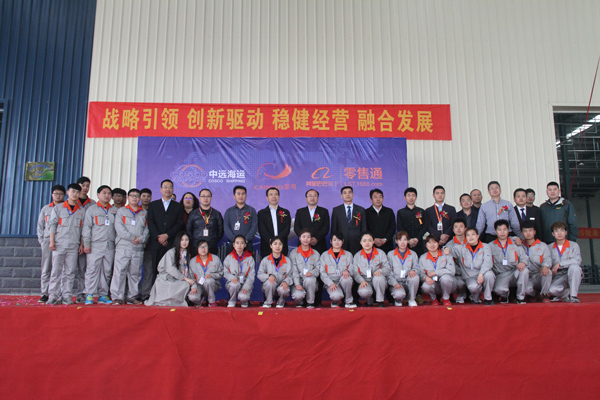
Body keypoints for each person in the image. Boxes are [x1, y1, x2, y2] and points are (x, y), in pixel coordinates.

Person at [143, 179, 184, 301]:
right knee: (154, 270)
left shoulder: (178, 206)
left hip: (171, 243)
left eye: (170, 187)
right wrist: (159, 237)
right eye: (165, 187)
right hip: (156, 243)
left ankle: (169, 296)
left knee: (171, 269)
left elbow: (179, 224)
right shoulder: (153, 205)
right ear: (161, 189)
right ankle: (153, 296)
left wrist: (167, 235)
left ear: (173, 190)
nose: (168, 189)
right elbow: (151, 223)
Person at [46, 184, 86, 305]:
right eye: (73, 191)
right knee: (56, 271)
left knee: (70, 271)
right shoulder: (58, 208)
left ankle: (67, 295)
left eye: (77, 192)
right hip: (59, 244)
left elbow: (83, 230)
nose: (75, 194)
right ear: (68, 192)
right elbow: (52, 225)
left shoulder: (81, 211)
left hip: (73, 245)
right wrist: (52, 241)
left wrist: (81, 244)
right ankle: (53, 295)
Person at [111, 189, 149, 305]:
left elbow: (147, 230)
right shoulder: (121, 211)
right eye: (132, 196)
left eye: (137, 196)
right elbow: (119, 228)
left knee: (135, 273)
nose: (135, 198)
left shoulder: (144, 212)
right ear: (128, 197)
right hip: (124, 246)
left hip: (138, 247)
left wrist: (141, 239)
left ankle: (132, 296)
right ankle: (117, 297)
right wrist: (132, 238)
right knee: (119, 272)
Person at [82, 185, 117, 305]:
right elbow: (87, 228)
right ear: (98, 195)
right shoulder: (91, 210)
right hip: (95, 245)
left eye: (109, 193)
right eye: (104, 193)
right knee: (92, 270)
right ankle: (89, 294)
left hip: (110, 245)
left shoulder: (114, 211)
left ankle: (103, 295)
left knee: (107, 271)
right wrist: (86, 244)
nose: (107, 195)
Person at [145, 232, 200, 307]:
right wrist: (185, 278)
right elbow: (171, 269)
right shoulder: (171, 252)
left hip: (179, 279)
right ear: (178, 241)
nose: (184, 242)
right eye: (182, 240)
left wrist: (192, 284)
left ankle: (177, 302)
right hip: (167, 279)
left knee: (186, 285)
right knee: (183, 284)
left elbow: (189, 271)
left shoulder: (188, 255)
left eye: (186, 240)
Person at [36, 184, 65, 303]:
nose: (58, 196)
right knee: (46, 267)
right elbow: (40, 226)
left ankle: (59, 293)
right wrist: (42, 241)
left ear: (64, 195)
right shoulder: (46, 209)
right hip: (48, 241)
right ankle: (45, 293)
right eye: (56, 193)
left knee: (61, 268)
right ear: (52, 195)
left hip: (62, 241)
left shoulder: (66, 209)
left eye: (61, 194)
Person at [490, 219, 529, 304]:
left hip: (514, 272)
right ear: (496, 232)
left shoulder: (516, 244)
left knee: (524, 270)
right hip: (501, 275)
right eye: (499, 230)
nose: (502, 232)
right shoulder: (490, 246)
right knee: (499, 290)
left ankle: (520, 297)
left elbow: (524, 257)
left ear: (508, 231)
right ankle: (506, 295)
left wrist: (522, 262)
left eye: (504, 229)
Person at [455, 228, 495, 305]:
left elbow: (488, 262)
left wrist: (481, 273)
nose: (471, 237)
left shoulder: (485, 246)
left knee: (490, 275)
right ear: (466, 238)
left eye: (473, 234)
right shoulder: (461, 248)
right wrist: (445, 248)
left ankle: (488, 298)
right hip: (470, 276)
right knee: (473, 287)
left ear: (478, 236)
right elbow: (448, 251)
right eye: (468, 235)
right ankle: (476, 298)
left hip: (483, 273)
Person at [319, 232, 357, 308]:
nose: (337, 242)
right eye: (334, 240)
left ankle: (348, 301)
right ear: (330, 241)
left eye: (339, 240)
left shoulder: (348, 254)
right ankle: (334, 300)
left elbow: (353, 268)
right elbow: (322, 273)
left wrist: (347, 271)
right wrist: (330, 283)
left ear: (343, 241)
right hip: (332, 282)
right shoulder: (324, 255)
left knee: (347, 279)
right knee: (336, 296)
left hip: (343, 280)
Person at [548, 221, 582, 303]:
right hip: (558, 275)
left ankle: (573, 296)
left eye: (562, 230)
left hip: (571, 272)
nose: (559, 233)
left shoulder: (573, 245)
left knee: (574, 267)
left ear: (566, 232)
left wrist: (560, 264)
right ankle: (566, 294)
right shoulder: (549, 247)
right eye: (556, 231)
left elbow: (577, 260)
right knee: (551, 291)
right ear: (553, 234)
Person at [353, 232, 390, 307]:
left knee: (378, 278)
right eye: (364, 241)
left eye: (369, 240)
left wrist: (380, 271)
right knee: (363, 292)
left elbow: (387, 268)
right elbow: (355, 272)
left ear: (373, 242)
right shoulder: (357, 256)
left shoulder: (380, 253)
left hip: (379, 281)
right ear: (361, 242)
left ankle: (380, 301)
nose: (367, 243)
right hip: (365, 281)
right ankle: (369, 300)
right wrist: (361, 281)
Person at [418, 236, 456, 306]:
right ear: (426, 245)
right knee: (425, 286)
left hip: (449, 284)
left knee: (445, 278)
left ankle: (446, 298)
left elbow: (452, 271)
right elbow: (421, 273)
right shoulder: (422, 258)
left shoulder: (446, 255)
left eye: (434, 242)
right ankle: (434, 299)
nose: (432, 245)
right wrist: (426, 278)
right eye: (429, 243)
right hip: (434, 283)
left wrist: (436, 272)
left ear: (438, 244)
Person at [75, 176, 96, 303]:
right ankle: (61, 294)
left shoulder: (92, 204)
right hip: (71, 240)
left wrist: (84, 242)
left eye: (87, 186)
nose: (85, 188)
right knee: (67, 270)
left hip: (86, 241)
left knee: (84, 269)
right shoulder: (71, 203)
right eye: (83, 185)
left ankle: (81, 293)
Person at [257, 236, 293, 308]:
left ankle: (280, 302)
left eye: (280, 244)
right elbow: (260, 274)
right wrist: (268, 276)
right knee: (270, 283)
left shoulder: (287, 261)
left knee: (284, 289)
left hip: (281, 286)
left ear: (283, 246)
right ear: (271, 246)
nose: (277, 246)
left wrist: (286, 282)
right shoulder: (265, 260)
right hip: (269, 287)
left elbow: (291, 275)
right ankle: (268, 302)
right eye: (275, 244)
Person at [521, 221, 552, 302]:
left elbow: (547, 259)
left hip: (538, 274)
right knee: (527, 290)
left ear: (534, 232)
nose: (528, 233)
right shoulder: (519, 245)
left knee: (548, 272)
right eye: (525, 231)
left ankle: (544, 295)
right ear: (522, 233)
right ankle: (534, 294)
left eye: (530, 230)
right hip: (527, 276)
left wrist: (545, 266)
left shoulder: (542, 245)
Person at [386, 231, 420, 307]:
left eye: (405, 240)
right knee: (399, 295)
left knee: (415, 277)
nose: (402, 242)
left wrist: (414, 270)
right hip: (396, 283)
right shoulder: (390, 254)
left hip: (408, 282)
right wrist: (394, 283)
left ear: (408, 241)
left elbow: (417, 267)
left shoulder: (413, 254)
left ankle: (411, 299)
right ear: (396, 241)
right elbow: (388, 272)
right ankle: (398, 300)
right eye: (400, 240)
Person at [186, 188, 224, 255]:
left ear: (211, 198)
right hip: (196, 246)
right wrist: (195, 242)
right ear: (199, 198)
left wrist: (214, 241)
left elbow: (221, 230)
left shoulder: (217, 214)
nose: (205, 198)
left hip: (212, 246)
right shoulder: (193, 214)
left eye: (208, 196)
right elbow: (188, 230)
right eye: (203, 196)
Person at [289, 229, 320, 308]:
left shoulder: (316, 253)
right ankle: (300, 302)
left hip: (311, 281)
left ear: (311, 239)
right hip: (298, 281)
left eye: (308, 237)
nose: (306, 239)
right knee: (298, 295)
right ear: (299, 238)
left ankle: (310, 302)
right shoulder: (293, 253)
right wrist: (297, 284)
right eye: (303, 237)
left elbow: (318, 269)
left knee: (309, 280)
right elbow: (293, 271)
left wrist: (311, 273)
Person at [331, 186, 367, 254]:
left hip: (357, 242)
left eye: (349, 192)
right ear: (342, 196)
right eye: (345, 193)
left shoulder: (361, 210)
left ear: (352, 194)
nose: (347, 194)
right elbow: (334, 228)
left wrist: (363, 241)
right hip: (341, 242)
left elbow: (364, 228)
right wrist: (334, 242)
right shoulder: (336, 210)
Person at [188, 239, 224, 307]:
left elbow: (221, 273)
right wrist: (194, 287)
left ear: (208, 248)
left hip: (212, 285)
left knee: (209, 281)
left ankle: (211, 301)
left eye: (205, 247)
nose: (203, 249)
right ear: (197, 249)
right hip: (199, 285)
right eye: (201, 247)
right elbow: (191, 277)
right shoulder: (192, 261)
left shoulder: (215, 259)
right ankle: (199, 299)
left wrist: (212, 275)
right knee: (192, 297)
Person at [222, 235, 255, 308]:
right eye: (237, 243)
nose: (239, 245)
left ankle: (244, 301)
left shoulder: (250, 258)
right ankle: (232, 301)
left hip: (245, 283)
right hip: (233, 282)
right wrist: (232, 278)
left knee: (243, 297)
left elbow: (251, 276)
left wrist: (246, 287)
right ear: (233, 245)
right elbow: (225, 272)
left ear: (245, 245)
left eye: (242, 243)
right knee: (234, 285)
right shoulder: (229, 257)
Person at [293, 189, 330, 254]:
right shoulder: (300, 212)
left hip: (319, 244)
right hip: (303, 244)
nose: (312, 198)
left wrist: (317, 238)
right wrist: (305, 238)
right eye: (310, 196)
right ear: (306, 198)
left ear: (318, 198)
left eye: (315, 196)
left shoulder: (324, 211)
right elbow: (297, 227)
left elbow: (326, 227)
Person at [224, 185, 258, 253]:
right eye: (238, 194)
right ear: (234, 196)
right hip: (232, 244)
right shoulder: (229, 211)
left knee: (248, 260)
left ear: (246, 196)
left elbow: (254, 226)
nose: (241, 196)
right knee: (230, 260)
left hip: (247, 244)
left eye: (243, 194)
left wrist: (245, 240)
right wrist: (235, 240)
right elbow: (226, 227)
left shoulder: (251, 210)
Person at [258, 187, 291, 256]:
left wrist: (278, 241)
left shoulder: (285, 212)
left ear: (278, 197)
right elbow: (262, 230)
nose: (273, 197)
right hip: (267, 246)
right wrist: (271, 241)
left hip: (282, 246)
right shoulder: (261, 213)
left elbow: (286, 229)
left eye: (276, 194)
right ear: (267, 198)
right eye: (271, 194)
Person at [396, 187, 428, 256]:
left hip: (419, 242)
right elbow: (400, 227)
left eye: (413, 195)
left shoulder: (421, 211)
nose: (411, 198)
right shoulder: (400, 212)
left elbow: (425, 226)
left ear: (416, 197)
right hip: (405, 243)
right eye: (409, 195)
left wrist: (417, 238)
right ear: (405, 197)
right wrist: (409, 239)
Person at [443, 218, 468, 303]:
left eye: (461, 226)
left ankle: (474, 296)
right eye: (456, 227)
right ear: (453, 230)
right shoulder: (449, 245)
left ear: (465, 229)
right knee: (460, 283)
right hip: (458, 273)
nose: (458, 229)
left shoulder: (471, 241)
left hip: (472, 271)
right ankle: (460, 295)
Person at [365, 189, 395, 253]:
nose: (378, 199)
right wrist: (374, 239)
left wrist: (385, 239)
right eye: (375, 197)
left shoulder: (389, 211)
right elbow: (365, 228)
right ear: (371, 199)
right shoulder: (366, 212)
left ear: (383, 198)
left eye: (380, 197)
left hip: (387, 244)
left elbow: (392, 227)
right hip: (371, 244)